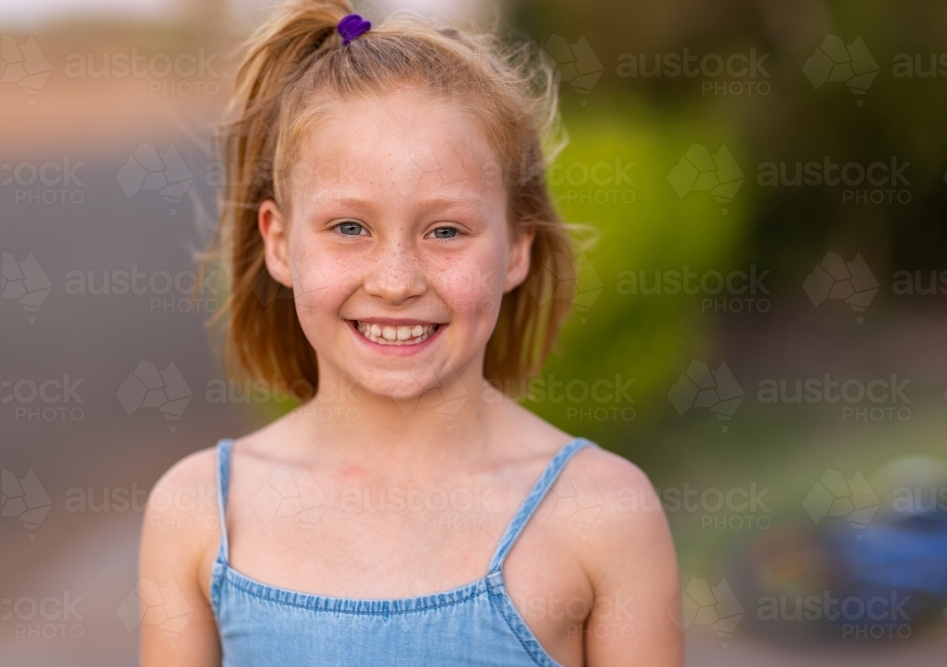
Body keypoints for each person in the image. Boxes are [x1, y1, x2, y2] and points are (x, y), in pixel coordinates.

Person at [139, 2, 681, 665]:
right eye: (349, 227)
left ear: (517, 247)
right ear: (279, 242)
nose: (396, 281)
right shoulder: (197, 511)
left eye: (445, 230)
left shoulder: (605, 513)